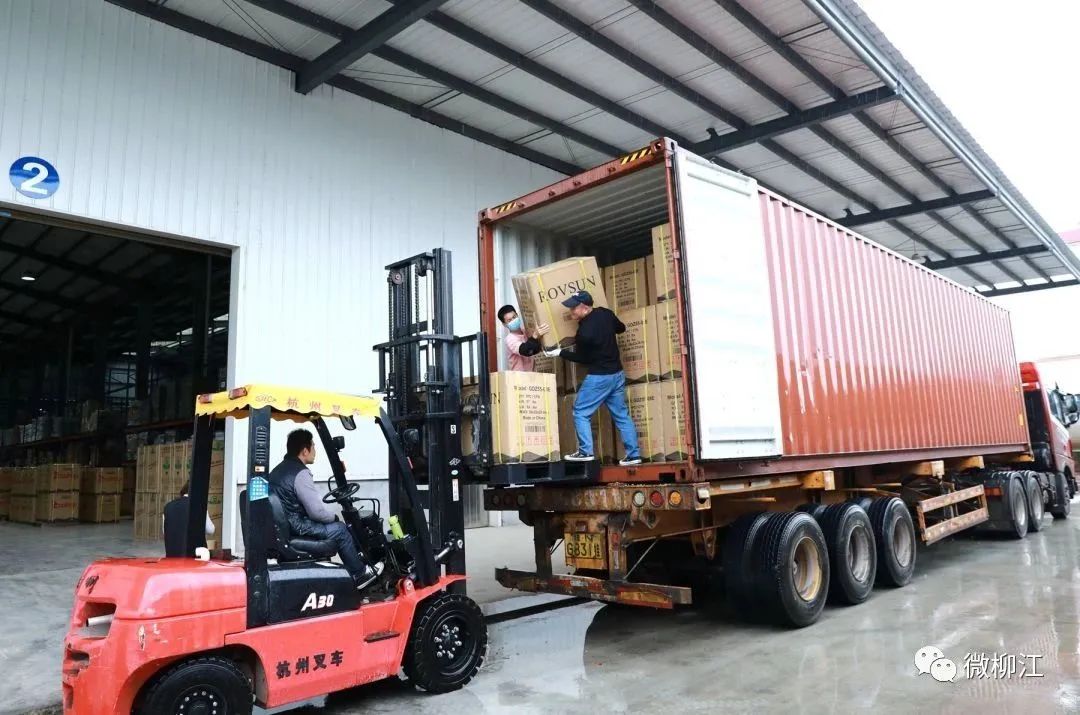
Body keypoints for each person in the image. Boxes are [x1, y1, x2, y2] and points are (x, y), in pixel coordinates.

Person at [268, 428, 381, 589]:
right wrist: (334, 517)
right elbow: (316, 512)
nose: (315, 450)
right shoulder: (301, 473)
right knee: (340, 529)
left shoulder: (279, 470)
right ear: (305, 450)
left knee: (336, 526)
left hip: (287, 525)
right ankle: (359, 574)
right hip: (297, 526)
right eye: (313, 446)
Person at [547, 290, 642, 466]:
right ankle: (634, 455)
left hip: (600, 377)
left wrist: (560, 352)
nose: (571, 311)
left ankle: (585, 452)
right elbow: (621, 328)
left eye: (573, 308)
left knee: (580, 412)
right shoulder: (606, 313)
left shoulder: (584, 332)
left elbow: (584, 359)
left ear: (584, 307)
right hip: (617, 374)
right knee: (622, 416)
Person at [162, 481, 216, 557]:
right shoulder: (199, 506)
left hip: (172, 557)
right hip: (194, 558)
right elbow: (211, 530)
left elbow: (165, 532)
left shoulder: (168, 507)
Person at [497, 304, 550, 371]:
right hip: (519, 376)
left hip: (531, 374)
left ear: (517, 315)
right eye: (509, 320)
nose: (513, 320)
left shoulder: (526, 331)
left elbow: (534, 350)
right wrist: (535, 335)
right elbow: (526, 351)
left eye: (514, 317)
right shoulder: (510, 339)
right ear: (504, 324)